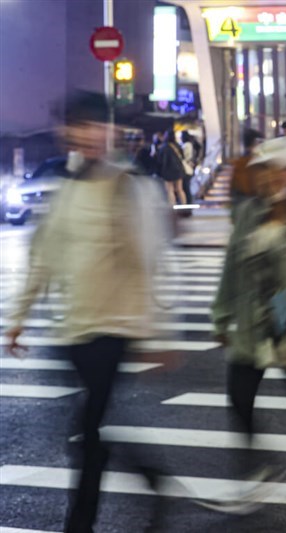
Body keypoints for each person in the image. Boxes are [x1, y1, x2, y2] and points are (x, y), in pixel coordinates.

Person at [4, 92, 169, 533]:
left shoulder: (125, 186)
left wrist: (152, 330)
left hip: (111, 329)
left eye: (95, 126)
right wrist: (18, 318)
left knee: (87, 429)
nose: (87, 135)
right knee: (91, 430)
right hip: (71, 330)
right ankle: (151, 475)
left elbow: (143, 260)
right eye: (79, 127)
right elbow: (43, 257)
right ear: (69, 134)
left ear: (109, 131)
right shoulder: (65, 188)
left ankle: (80, 523)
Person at [211, 136, 286, 506]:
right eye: (266, 172)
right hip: (252, 326)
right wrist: (221, 315)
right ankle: (256, 467)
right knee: (239, 398)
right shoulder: (249, 213)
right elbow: (232, 264)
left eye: (278, 171)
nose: (271, 179)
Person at [230, 128, 263, 217]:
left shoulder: (239, 163)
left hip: (241, 210)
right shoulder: (256, 163)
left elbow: (233, 190)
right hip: (253, 211)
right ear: (254, 143)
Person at [159, 129, 188, 206]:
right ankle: (184, 204)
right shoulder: (177, 146)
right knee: (179, 189)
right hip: (179, 169)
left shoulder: (164, 147)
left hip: (168, 170)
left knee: (170, 190)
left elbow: (162, 161)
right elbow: (183, 157)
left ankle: (172, 205)